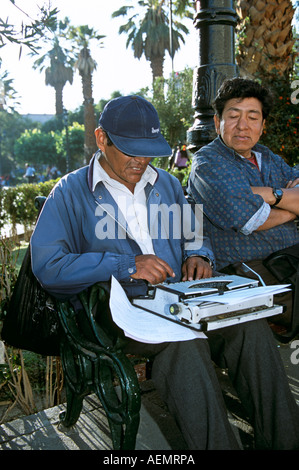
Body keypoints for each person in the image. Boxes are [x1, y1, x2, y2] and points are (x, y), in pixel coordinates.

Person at [30, 95, 299, 449]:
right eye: (130, 149)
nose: (141, 160)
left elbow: (194, 235)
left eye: (149, 150)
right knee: (182, 347)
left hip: (178, 300)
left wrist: (199, 256)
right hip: (115, 309)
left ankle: (286, 442)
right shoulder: (70, 193)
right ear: (101, 139)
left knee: (247, 326)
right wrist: (125, 264)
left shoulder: (168, 184)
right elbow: (48, 266)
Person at [187, 77, 299, 338]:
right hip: (246, 269)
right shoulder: (209, 163)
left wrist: (272, 195)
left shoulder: (268, 157)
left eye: (252, 117)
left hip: (290, 259)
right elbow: (251, 219)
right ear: (218, 122)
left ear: (263, 124)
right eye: (234, 116)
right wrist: (292, 204)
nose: (243, 126)